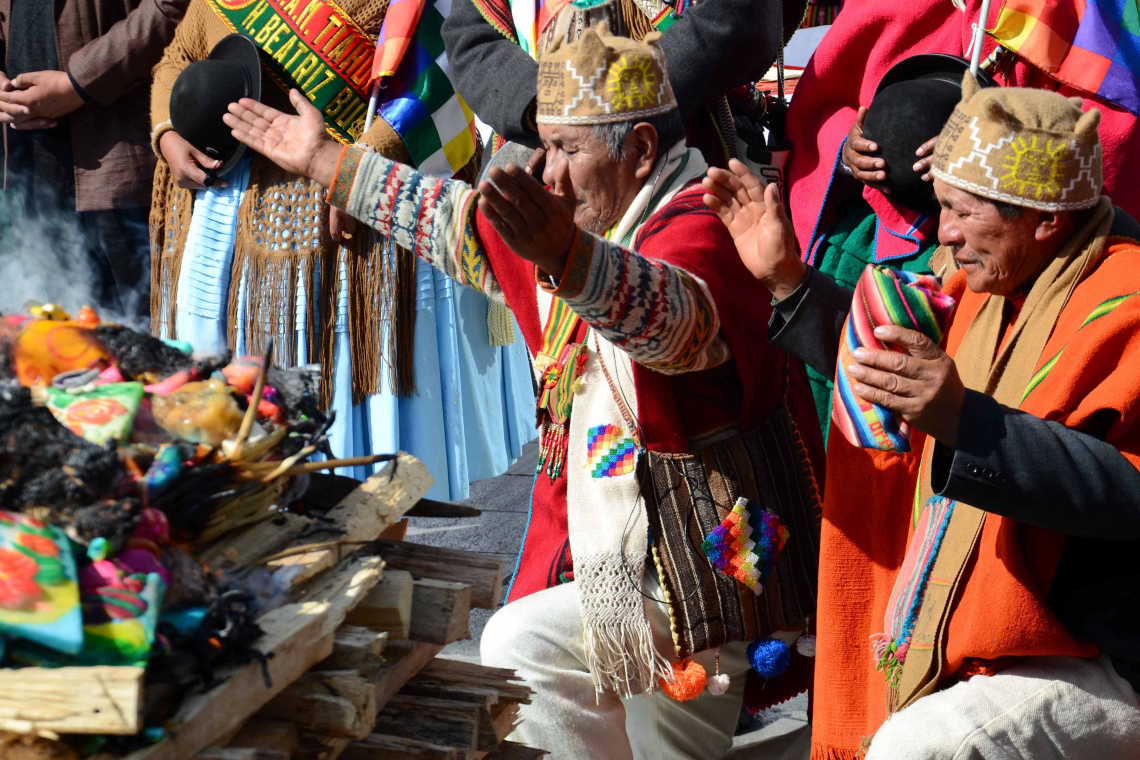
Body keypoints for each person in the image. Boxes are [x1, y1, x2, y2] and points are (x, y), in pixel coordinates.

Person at [224, 27, 823, 759]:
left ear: (639, 151)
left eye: (571, 149)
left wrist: (569, 260)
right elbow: (451, 221)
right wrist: (321, 159)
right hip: (631, 565)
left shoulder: (700, 226)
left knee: (523, 643)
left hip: (704, 573)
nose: (549, 174)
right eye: (544, 146)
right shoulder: (572, 223)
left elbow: (672, 323)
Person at [705, 75, 1140, 758]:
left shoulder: (1125, 301)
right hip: (990, 635)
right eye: (941, 208)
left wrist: (969, 422)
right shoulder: (979, 280)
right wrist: (786, 279)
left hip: (1102, 648)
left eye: (965, 212)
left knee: (925, 746)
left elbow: (1128, 492)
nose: (947, 234)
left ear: (1047, 220)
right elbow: (885, 367)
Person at [149, 0, 536, 500]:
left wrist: (363, 168)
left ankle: (376, 536)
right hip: (239, 216)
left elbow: (449, 61)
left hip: (363, 214)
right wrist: (169, 128)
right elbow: (184, 49)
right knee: (232, 442)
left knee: (371, 461)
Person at [785, 0, 1140, 438]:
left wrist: (984, 148)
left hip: (1014, 264)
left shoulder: (1085, 12)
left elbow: (1098, 132)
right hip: (868, 241)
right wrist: (848, 148)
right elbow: (830, 99)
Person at [442, 0, 806, 172]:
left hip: (685, 151)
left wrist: (605, 109)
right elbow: (471, 40)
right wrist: (546, 110)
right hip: (543, 155)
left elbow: (738, 21)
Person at [0, 0, 192, 321]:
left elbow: (173, 6)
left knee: (148, 341)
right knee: (68, 344)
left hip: (122, 169)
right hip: (29, 169)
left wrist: (79, 82)